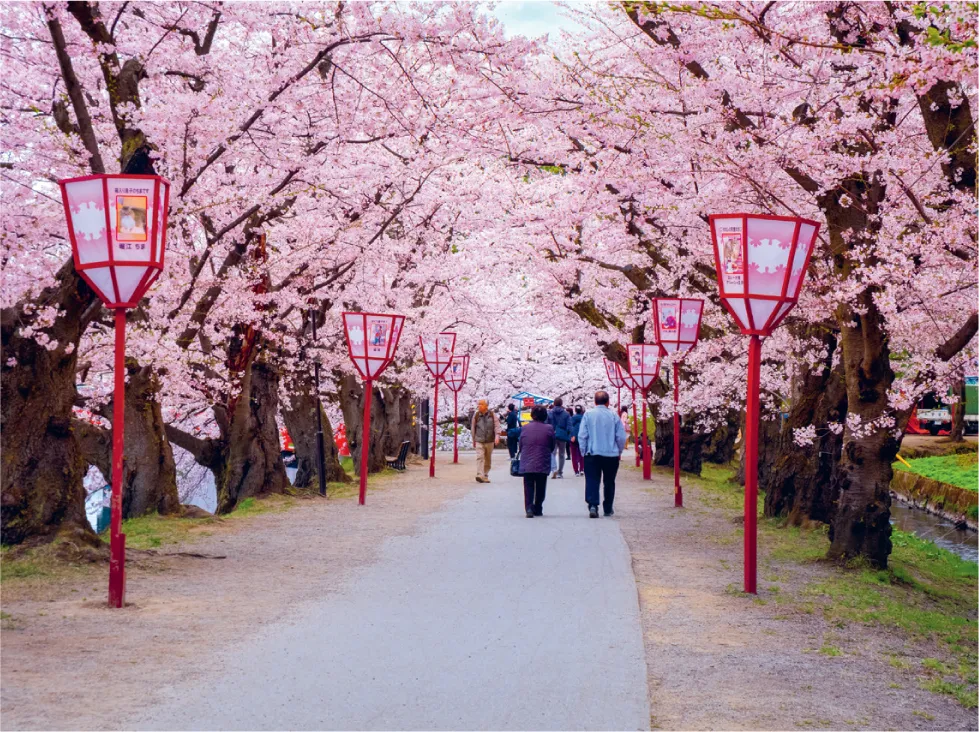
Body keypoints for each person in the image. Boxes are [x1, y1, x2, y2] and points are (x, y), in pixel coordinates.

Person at [579, 391, 627, 518]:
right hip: (611, 454)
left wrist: (583, 451)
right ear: (608, 402)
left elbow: (582, 435)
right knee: (609, 481)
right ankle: (608, 507)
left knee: (592, 479)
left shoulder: (588, 414)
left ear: (595, 402)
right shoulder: (614, 416)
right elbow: (621, 437)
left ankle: (593, 505)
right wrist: (619, 450)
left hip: (592, 452)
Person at [518, 405, 555, 518]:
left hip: (527, 460)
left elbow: (521, 444)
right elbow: (552, 445)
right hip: (542, 460)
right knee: (541, 485)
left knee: (528, 485)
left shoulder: (525, 428)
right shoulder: (549, 428)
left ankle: (529, 508)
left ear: (532, 415)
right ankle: (538, 507)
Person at [471, 399, 500, 483]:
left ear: (486, 406)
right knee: (480, 457)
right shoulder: (476, 415)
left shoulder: (492, 415)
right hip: (479, 440)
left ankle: (485, 475)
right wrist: (473, 439)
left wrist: (497, 436)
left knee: (487, 458)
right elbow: (473, 428)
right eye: (478, 404)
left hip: (490, 440)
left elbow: (497, 425)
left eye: (481, 404)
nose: (479, 406)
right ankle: (480, 474)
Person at [546, 397, 572, 479]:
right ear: (561, 404)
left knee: (552, 453)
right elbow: (569, 426)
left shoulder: (549, 413)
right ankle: (560, 472)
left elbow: (546, 423)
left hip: (552, 435)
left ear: (554, 404)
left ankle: (554, 469)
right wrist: (567, 434)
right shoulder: (566, 414)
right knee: (561, 454)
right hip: (562, 435)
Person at [569, 405, 584, 476]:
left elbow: (570, 427)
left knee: (574, 455)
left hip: (573, 438)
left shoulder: (572, 418)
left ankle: (576, 471)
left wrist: (572, 435)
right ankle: (581, 469)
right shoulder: (584, 418)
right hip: (582, 438)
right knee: (582, 454)